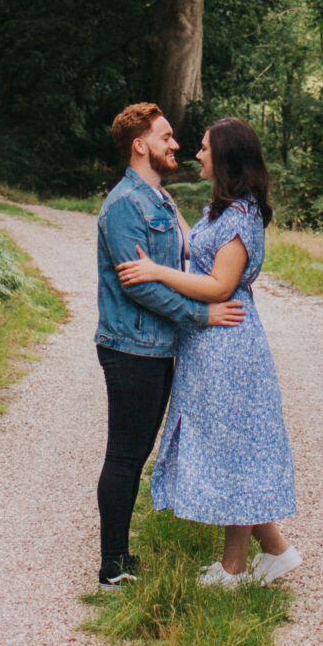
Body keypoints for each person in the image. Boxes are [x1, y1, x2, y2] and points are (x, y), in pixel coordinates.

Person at [116, 114, 300, 589]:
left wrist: (155, 272)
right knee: (229, 445)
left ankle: (235, 567)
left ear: (225, 157)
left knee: (231, 449)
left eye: (203, 147)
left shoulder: (242, 218)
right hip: (210, 345)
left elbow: (219, 284)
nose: (196, 153)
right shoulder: (221, 210)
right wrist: (170, 208)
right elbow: (200, 251)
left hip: (229, 346)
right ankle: (275, 552)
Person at [93, 102, 246, 590]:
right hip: (131, 347)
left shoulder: (162, 201)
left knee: (136, 455)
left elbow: (182, 267)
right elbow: (140, 287)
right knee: (124, 456)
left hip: (159, 347)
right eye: (166, 137)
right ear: (141, 145)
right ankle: (112, 567)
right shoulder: (123, 205)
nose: (175, 145)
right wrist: (203, 314)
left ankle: (121, 555)